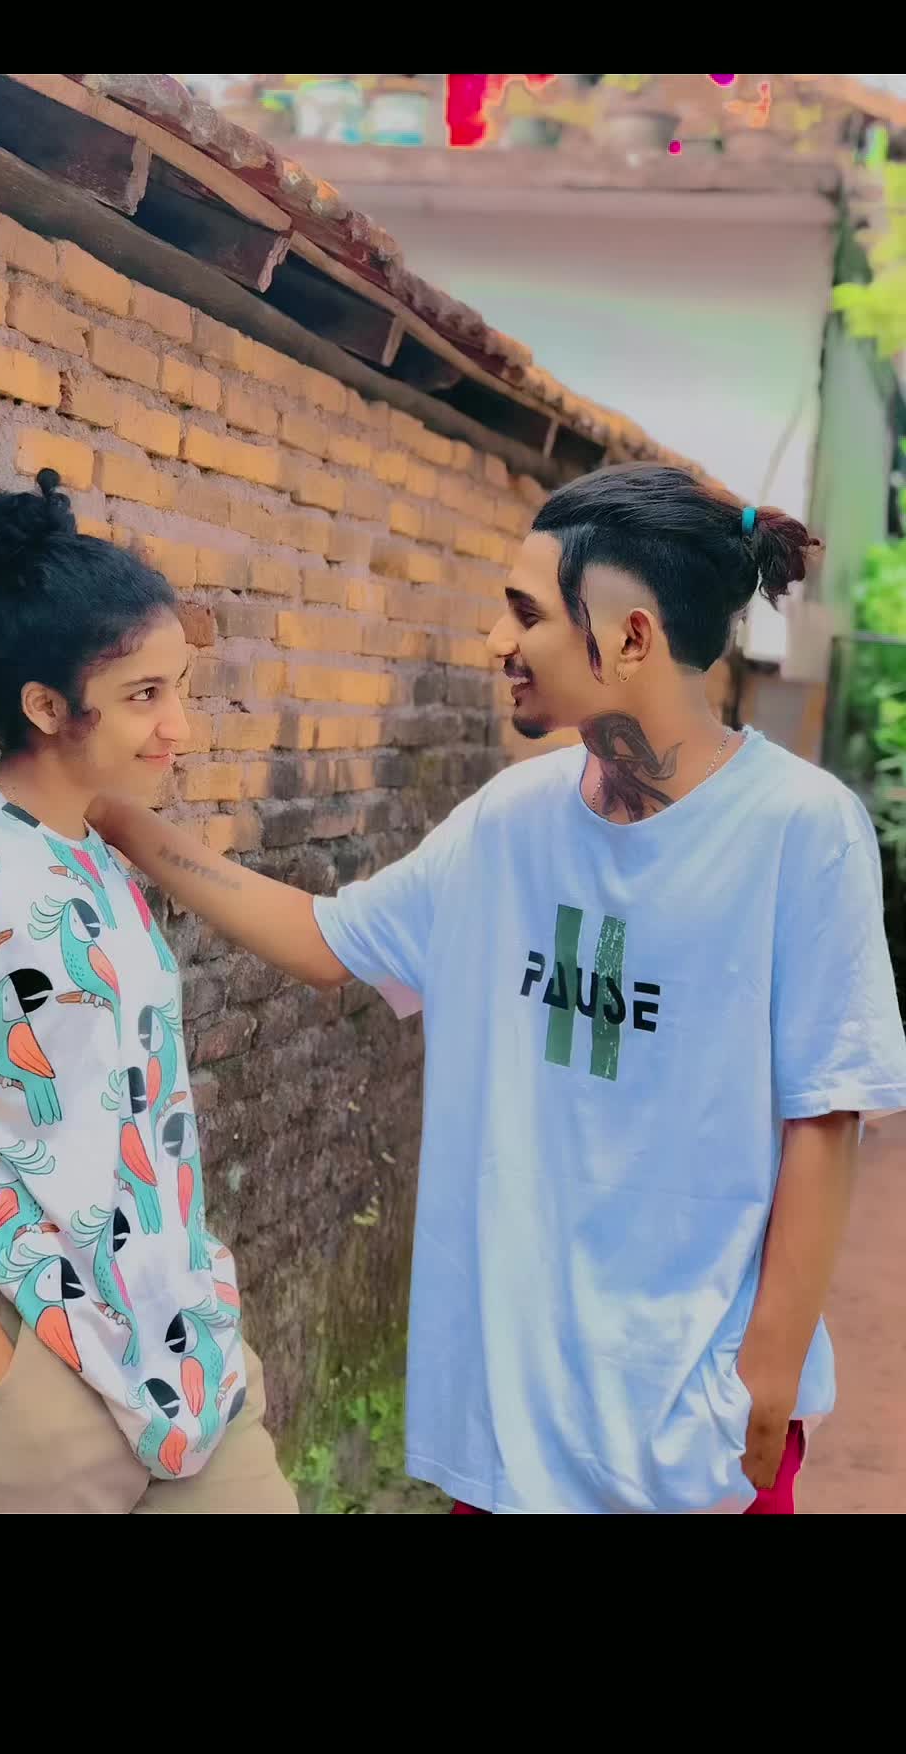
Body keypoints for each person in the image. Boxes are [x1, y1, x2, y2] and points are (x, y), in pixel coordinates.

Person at [93, 463, 906, 1515]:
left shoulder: (800, 829)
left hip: (694, 1426)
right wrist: (119, 818)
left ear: (631, 638)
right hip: (513, 1424)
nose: (495, 641)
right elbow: (326, 940)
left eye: (527, 614)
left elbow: (825, 1113)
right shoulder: (510, 820)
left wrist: (768, 1375)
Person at [0, 470, 296, 1515]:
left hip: (184, 1358)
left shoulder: (98, 853)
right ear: (46, 706)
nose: (179, 725)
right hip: (32, 1358)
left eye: (179, 687)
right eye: (143, 696)